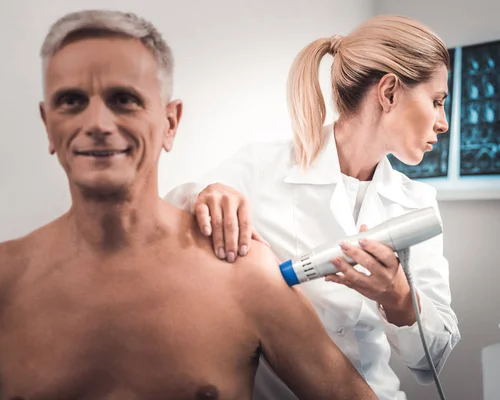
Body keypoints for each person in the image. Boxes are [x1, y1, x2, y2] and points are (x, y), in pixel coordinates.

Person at [0, 10, 378, 400]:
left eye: (124, 99)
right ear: (48, 125)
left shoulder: (244, 275)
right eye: (71, 101)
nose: (97, 122)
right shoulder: (6, 279)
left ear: (170, 122)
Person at [165, 14, 461, 400]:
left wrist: (399, 298)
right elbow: (166, 220)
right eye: (437, 102)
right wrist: (202, 193)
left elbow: (433, 359)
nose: (444, 123)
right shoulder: (261, 167)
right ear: (388, 92)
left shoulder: (416, 205)